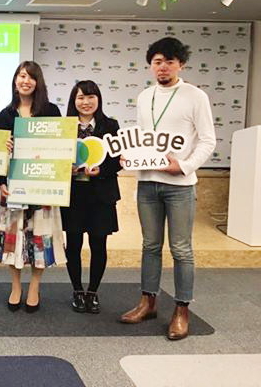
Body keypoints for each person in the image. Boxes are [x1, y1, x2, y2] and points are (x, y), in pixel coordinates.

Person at [120, 37, 215, 340]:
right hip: (147, 183)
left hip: (180, 186)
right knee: (150, 245)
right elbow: (142, 138)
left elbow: (208, 140)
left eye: (169, 61)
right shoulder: (144, 96)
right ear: (151, 65)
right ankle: (148, 302)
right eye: (157, 61)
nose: (163, 67)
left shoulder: (195, 96)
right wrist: (129, 154)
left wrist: (184, 166)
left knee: (181, 249)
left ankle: (182, 310)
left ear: (180, 64)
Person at [0, 60, 62, 313]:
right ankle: (15, 286)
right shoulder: (5, 115)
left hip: (43, 184)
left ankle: (34, 286)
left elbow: (60, 149)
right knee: (14, 239)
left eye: (31, 77)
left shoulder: (51, 111)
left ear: (38, 82)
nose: (25, 81)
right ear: (15, 81)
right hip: (14, 185)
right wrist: (1, 182)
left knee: (40, 238)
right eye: (21, 76)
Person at [61, 80, 121, 314]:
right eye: (80, 97)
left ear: (98, 99)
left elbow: (118, 161)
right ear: (73, 101)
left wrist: (101, 170)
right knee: (73, 244)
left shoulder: (111, 125)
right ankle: (77, 290)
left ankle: (93, 292)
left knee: (99, 244)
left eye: (90, 97)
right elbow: (53, 157)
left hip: (100, 196)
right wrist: (64, 169)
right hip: (73, 196)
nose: (85, 102)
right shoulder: (64, 127)